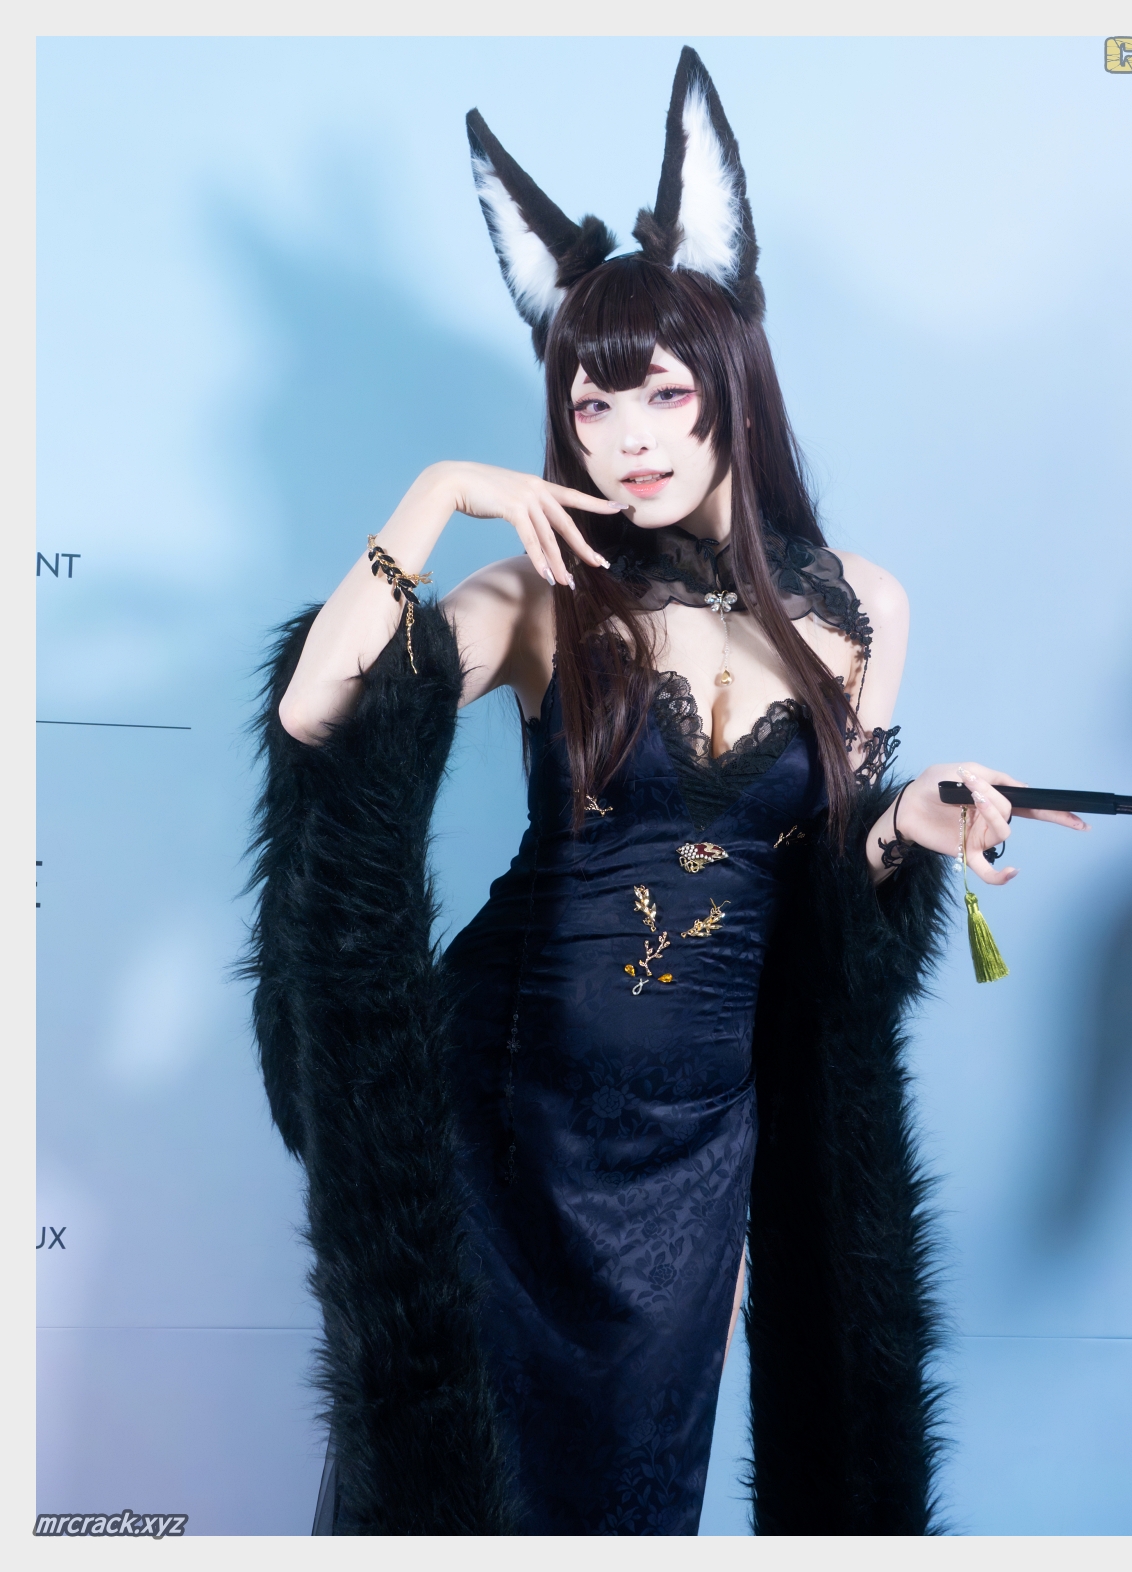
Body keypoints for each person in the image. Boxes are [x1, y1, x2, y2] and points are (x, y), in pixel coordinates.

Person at [246, 48, 1086, 1537]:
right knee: (441, 1500)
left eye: (662, 395)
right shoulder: (543, 595)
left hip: (696, 1148)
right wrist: (436, 497)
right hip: (502, 1117)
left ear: (730, 388)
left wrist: (914, 822)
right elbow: (320, 709)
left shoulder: (863, 609)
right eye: (591, 409)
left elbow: (825, 892)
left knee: (636, 1500)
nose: (628, 441)